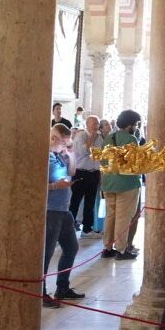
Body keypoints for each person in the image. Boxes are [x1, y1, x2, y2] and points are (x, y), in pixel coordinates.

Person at [43, 124, 83, 305]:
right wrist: (53, 186)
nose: (65, 146)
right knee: (47, 253)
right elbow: (34, 186)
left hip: (63, 210)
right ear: (53, 138)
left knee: (71, 247)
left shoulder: (59, 156)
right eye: (63, 142)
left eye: (68, 143)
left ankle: (62, 287)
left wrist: (71, 154)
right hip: (51, 210)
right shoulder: (44, 157)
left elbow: (71, 173)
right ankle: (41, 293)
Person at [96, 110, 143, 260]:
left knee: (111, 216)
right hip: (127, 184)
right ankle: (122, 250)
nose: (136, 127)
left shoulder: (109, 138)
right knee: (124, 217)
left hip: (109, 182)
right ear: (130, 125)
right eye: (135, 124)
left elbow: (103, 161)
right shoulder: (131, 139)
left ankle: (107, 247)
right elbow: (135, 162)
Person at [68, 115, 101, 236]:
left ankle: (87, 229)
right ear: (87, 124)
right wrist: (91, 137)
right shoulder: (81, 136)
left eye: (97, 124)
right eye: (94, 124)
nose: (96, 126)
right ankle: (68, 228)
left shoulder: (100, 138)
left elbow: (99, 154)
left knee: (90, 202)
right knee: (75, 201)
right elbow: (84, 151)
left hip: (94, 173)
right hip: (81, 172)